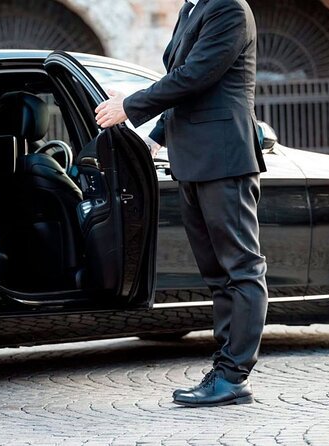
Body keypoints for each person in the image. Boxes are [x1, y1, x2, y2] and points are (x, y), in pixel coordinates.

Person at [95, 0, 268, 408]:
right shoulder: (192, 9)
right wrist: (156, 138)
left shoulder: (229, 8)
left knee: (241, 269)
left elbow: (196, 76)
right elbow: (181, 81)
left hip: (224, 158)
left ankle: (234, 377)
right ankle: (224, 369)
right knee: (216, 274)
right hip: (191, 161)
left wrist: (129, 106)